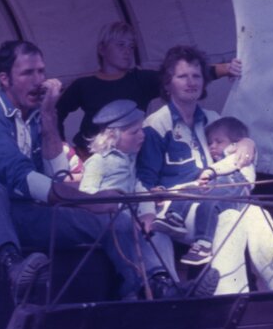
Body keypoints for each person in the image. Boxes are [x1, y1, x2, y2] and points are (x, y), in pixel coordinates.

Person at [0, 40, 180, 302]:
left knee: (115, 219)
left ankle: (157, 286)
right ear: (5, 79)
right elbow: (22, 177)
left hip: (24, 213)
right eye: (27, 73)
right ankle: (13, 267)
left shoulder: (36, 118)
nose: (38, 81)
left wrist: (48, 115)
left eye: (41, 71)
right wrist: (88, 200)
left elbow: (58, 175)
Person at [137, 45, 273, 293]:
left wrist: (247, 142)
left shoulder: (213, 120)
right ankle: (230, 296)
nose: (191, 82)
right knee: (233, 214)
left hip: (214, 198)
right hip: (175, 207)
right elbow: (144, 179)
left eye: (197, 76)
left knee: (250, 211)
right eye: (182, 76)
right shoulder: (157, 125)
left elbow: (237, 150)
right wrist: (147, 213)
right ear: (168, 83)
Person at [79, 99, 218, 297]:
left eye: (141, 130)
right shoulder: (98, 162)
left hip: (131, 218)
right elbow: (88, 198)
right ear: (113, 136)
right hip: (109, 221)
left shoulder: (132, 159)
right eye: (134, 132)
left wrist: (148, 213)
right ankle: (158, 287)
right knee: (128, 227)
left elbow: (139, 186)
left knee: (158, 232)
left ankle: (171, 285)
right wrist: (116, 205)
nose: (142, 136)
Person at [56, 21, 242, 158]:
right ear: (102, 49)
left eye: (131, 46)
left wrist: (226, 69)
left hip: (129, 157)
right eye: (120, 45)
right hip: (88, 155)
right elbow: (57, 111)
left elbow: (185, 74)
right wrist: (63, 146)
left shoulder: (140, 79)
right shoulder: (84, 84)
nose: (127, 51)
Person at [153, 116, 256, 267]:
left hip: (237, 184)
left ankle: (204, 244)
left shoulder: (238, 152)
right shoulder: (218, 158)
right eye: (209, 143)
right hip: (220, 184)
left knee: (208, 204)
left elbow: (231, 163)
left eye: (218, 141)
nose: (212, 146)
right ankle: (175, 218)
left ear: (235, 142)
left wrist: (211, 170)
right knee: (191, 190)